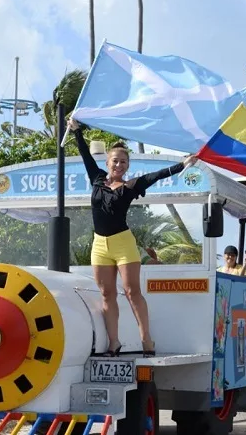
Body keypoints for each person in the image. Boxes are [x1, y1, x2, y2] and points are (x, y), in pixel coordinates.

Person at [69, 117, 197, 357]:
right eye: (115, 161)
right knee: (106, 293)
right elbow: (86, 156)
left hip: (123, 243)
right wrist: (76, 132)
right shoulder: (96, 179)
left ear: (127, 166)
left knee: (131, 291)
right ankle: (114, 342)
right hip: (100, 244)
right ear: (108, 162)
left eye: (123, 162)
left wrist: (182, 164)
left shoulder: (130, 186)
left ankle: (146, 338)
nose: (119, 165)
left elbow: (155, 176)